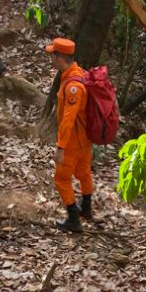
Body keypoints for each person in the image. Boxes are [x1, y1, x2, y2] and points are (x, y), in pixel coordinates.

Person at [46, 37, 93, 234]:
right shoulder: (79, 74)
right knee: (83, 173)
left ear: (60, 58)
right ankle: (87, 209)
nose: (51, 59)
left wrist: (61, 147)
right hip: (85, 140)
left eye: (52, 56)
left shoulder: (74, 85)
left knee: (61, 179)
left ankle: (74, 218)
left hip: (73, 142)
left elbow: (68, 119)